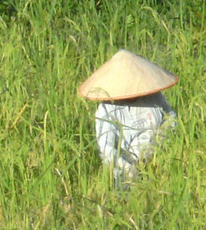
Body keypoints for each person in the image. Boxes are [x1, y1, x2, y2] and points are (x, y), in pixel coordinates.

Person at [76, 49, 177, 186]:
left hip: (158, 157)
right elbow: (107, 148)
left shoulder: (154, 97)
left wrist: (160, 147)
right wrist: (128, 168)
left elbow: (170, 120)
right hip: (125, 166)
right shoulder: (107, 109)